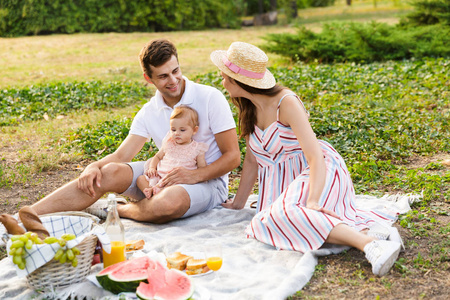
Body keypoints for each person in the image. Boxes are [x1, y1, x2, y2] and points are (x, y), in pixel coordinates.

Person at [211, 41, 402, 276]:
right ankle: (364, 233)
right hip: (280, 187)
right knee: (266, 220)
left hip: (316, 172)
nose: (222, 81)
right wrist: (238, 203)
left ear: (239, 81)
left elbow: (314, 156)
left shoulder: (286, 103)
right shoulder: (248, 106)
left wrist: (313, 200)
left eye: (224, 77)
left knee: (278, 217)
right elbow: (252, 160)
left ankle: (370, 245)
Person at [30, 39, 241, 223]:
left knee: (168, 202)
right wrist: (93, 166)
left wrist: (194, 175)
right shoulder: (149, 110)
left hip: (208, 184)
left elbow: (233, 157)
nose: (173, 80)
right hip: (163, 175)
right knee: (108, 172)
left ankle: (113, 209)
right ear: (148, 78)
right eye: (163, 76)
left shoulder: (210, 97)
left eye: (175, 71)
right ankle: (28, 215)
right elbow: (122, 155)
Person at [136, 105, 209, 199]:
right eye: (173, 129)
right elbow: (158, 157)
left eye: (182, 130)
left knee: (174, 192)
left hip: (177, 182)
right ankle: (152, 192)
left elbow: (201, 168)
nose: (177, 133)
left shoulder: (197, 148)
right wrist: (152, 168)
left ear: (194, 130)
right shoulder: (169, 142)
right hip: (159, 176)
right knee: (140, 179)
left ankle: (156, 195)